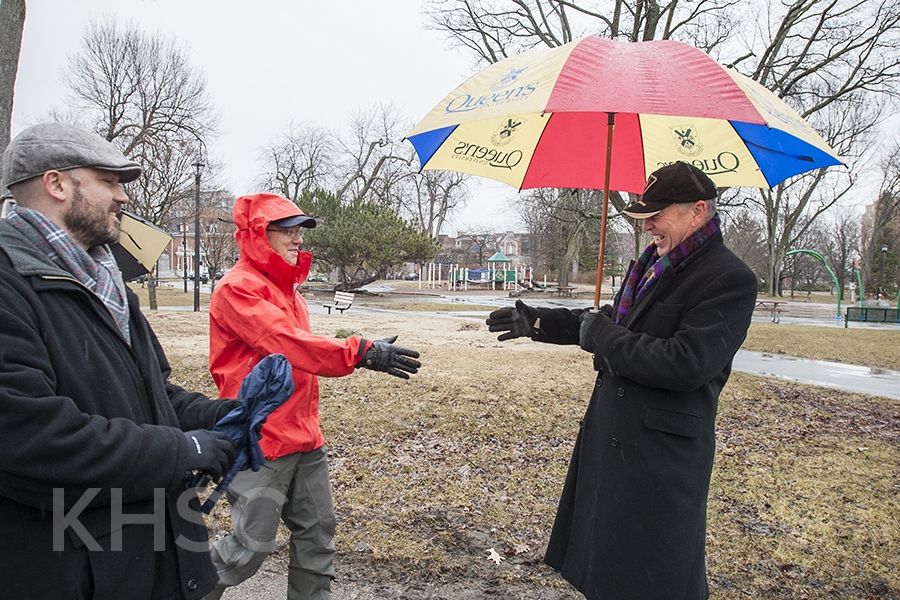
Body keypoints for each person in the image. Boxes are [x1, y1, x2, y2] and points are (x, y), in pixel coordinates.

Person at [487, 161, 758, 600]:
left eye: (658, 215)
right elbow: (611, 322)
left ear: (698, 210)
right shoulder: (655, 264)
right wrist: (537, 322)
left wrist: (604, 337)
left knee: (656, 578)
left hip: (662, 461)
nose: (648, 225)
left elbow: (686, 362)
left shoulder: (729, 279)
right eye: (644, 215)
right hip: (615, 442)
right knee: (610, 570)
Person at [0, 123, 240, 599]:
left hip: (151, 554)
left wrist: (225, 415)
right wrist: (185, 451)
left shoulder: (105, 282)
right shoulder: (10, 283)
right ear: (58, 184)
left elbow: (153, 392)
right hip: (72, 570)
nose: (123, 197)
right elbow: (28, 433)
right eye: (109, 181)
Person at [205, 192, 422, 600]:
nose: (298, 239)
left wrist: (358, 347)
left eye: (300, 231)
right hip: (260, 439)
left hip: (305, 437)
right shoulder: (238, 289)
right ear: (257, 234)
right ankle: (183, 589)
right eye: (286, 231)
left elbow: (302, 343)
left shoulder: (290, 292)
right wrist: (359, 352)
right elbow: (285, 343)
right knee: (247, 550)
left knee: (318, 535)